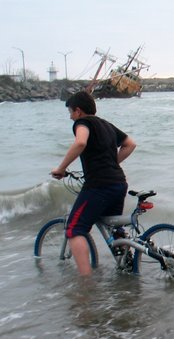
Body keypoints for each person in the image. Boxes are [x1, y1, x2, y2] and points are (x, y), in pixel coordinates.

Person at [51, 91, 136, 276]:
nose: (70, 117)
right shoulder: (107, 125)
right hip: (119, 183)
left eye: (71, 113)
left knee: (74, 229)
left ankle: (86, 281)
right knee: (114, 226)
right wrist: (112, 163)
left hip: (99, 185)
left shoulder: (82, 123)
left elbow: (81, 142)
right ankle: (127, 266)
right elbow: (130, 144)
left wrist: (61, 168)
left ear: (78, 111)